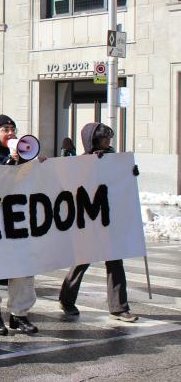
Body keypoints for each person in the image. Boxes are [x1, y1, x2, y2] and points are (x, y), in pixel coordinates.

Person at [58, 123, 138, 323]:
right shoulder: (82, 162)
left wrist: (130, 172)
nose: (108, 141)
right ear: (93, 140)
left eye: (108, 138)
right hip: (90, 219)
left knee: (115, 261)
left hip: (110, 219)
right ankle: (66, 299)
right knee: (82, 261)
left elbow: (120, 184)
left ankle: (118, 307)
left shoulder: (114, 159)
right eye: (104, 138)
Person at [0, 114, 41, 336]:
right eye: (5, 129)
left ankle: (19, 315)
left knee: (23, 270)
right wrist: (9, 162)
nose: (11, 133)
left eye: (13, 129)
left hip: (19, 221)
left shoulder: (24, 157)